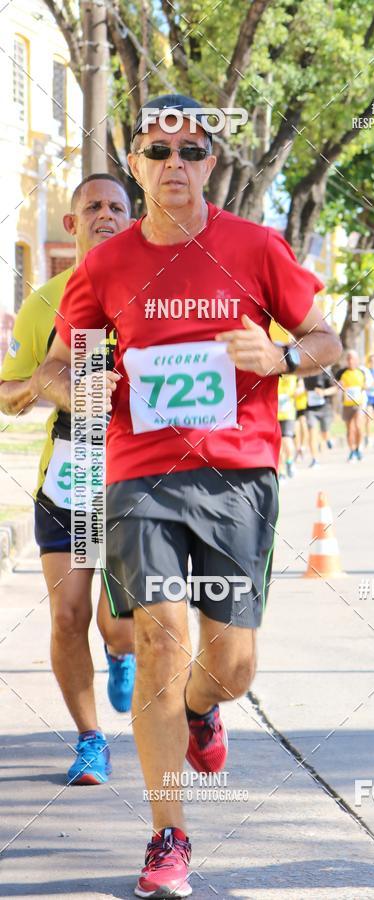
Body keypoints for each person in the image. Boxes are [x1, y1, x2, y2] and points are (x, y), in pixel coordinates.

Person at [35, 93, 341, 898]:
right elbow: (62, 364)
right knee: (162, 639)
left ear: (212, 164)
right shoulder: (102, 267)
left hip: (239, 475)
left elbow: (327, 340)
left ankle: (208, 708)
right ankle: (168, 834)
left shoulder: (257, 247)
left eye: (191, 152)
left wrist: (280, 359)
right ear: (136, 167)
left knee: (230, 665)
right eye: (158, 152)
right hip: (139, 476)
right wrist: (76, 389)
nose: (175, 165)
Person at [0, 174, 136, 786]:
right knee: (66, 616)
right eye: (93, 207)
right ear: (72, 224)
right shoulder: (46, 300)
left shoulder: (155, 290)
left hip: (138, 473)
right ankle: (89, 740)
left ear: (133, 220)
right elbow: (7, 394)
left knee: (122, 626)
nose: (106, 215)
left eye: (118, 207)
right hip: (72, 474)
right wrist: (45, 386)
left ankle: (118, 650)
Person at [336, 349, 367, 461]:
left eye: (352, 358)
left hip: (358, 404)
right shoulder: (341, 373)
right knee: (350, 429)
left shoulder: (361, 372)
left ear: (357, 360)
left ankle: (358, 448)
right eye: (348, 358)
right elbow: (336, 385)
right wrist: (339, 386)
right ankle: (352, 450)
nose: (350, 361)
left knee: (358, 426)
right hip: (347, 404)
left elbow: (365, 386)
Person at [304, 367, 336, 466]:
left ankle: (328, 438)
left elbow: (335, 388)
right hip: (311, 408)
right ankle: (315, 459)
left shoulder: (325, 371)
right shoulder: (306, 372)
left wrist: (324, 392)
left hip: (324, 407)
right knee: (312, 432)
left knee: (324, 432)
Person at [277, 372, 299, 479]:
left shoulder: (293, 376)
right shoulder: (274, 376)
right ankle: (281, 471)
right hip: (275, 415)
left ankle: (289, 462)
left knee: (286, 439)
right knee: (278, 444)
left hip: (288, 414)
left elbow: (300, 388)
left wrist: (297, 392)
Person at [294, 376, 309, 461]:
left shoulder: (300, 377)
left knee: (304, 426)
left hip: (302, 405)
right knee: (295, 429)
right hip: (293, 406)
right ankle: (298, 449)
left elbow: (302, 388)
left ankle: (303, 447)